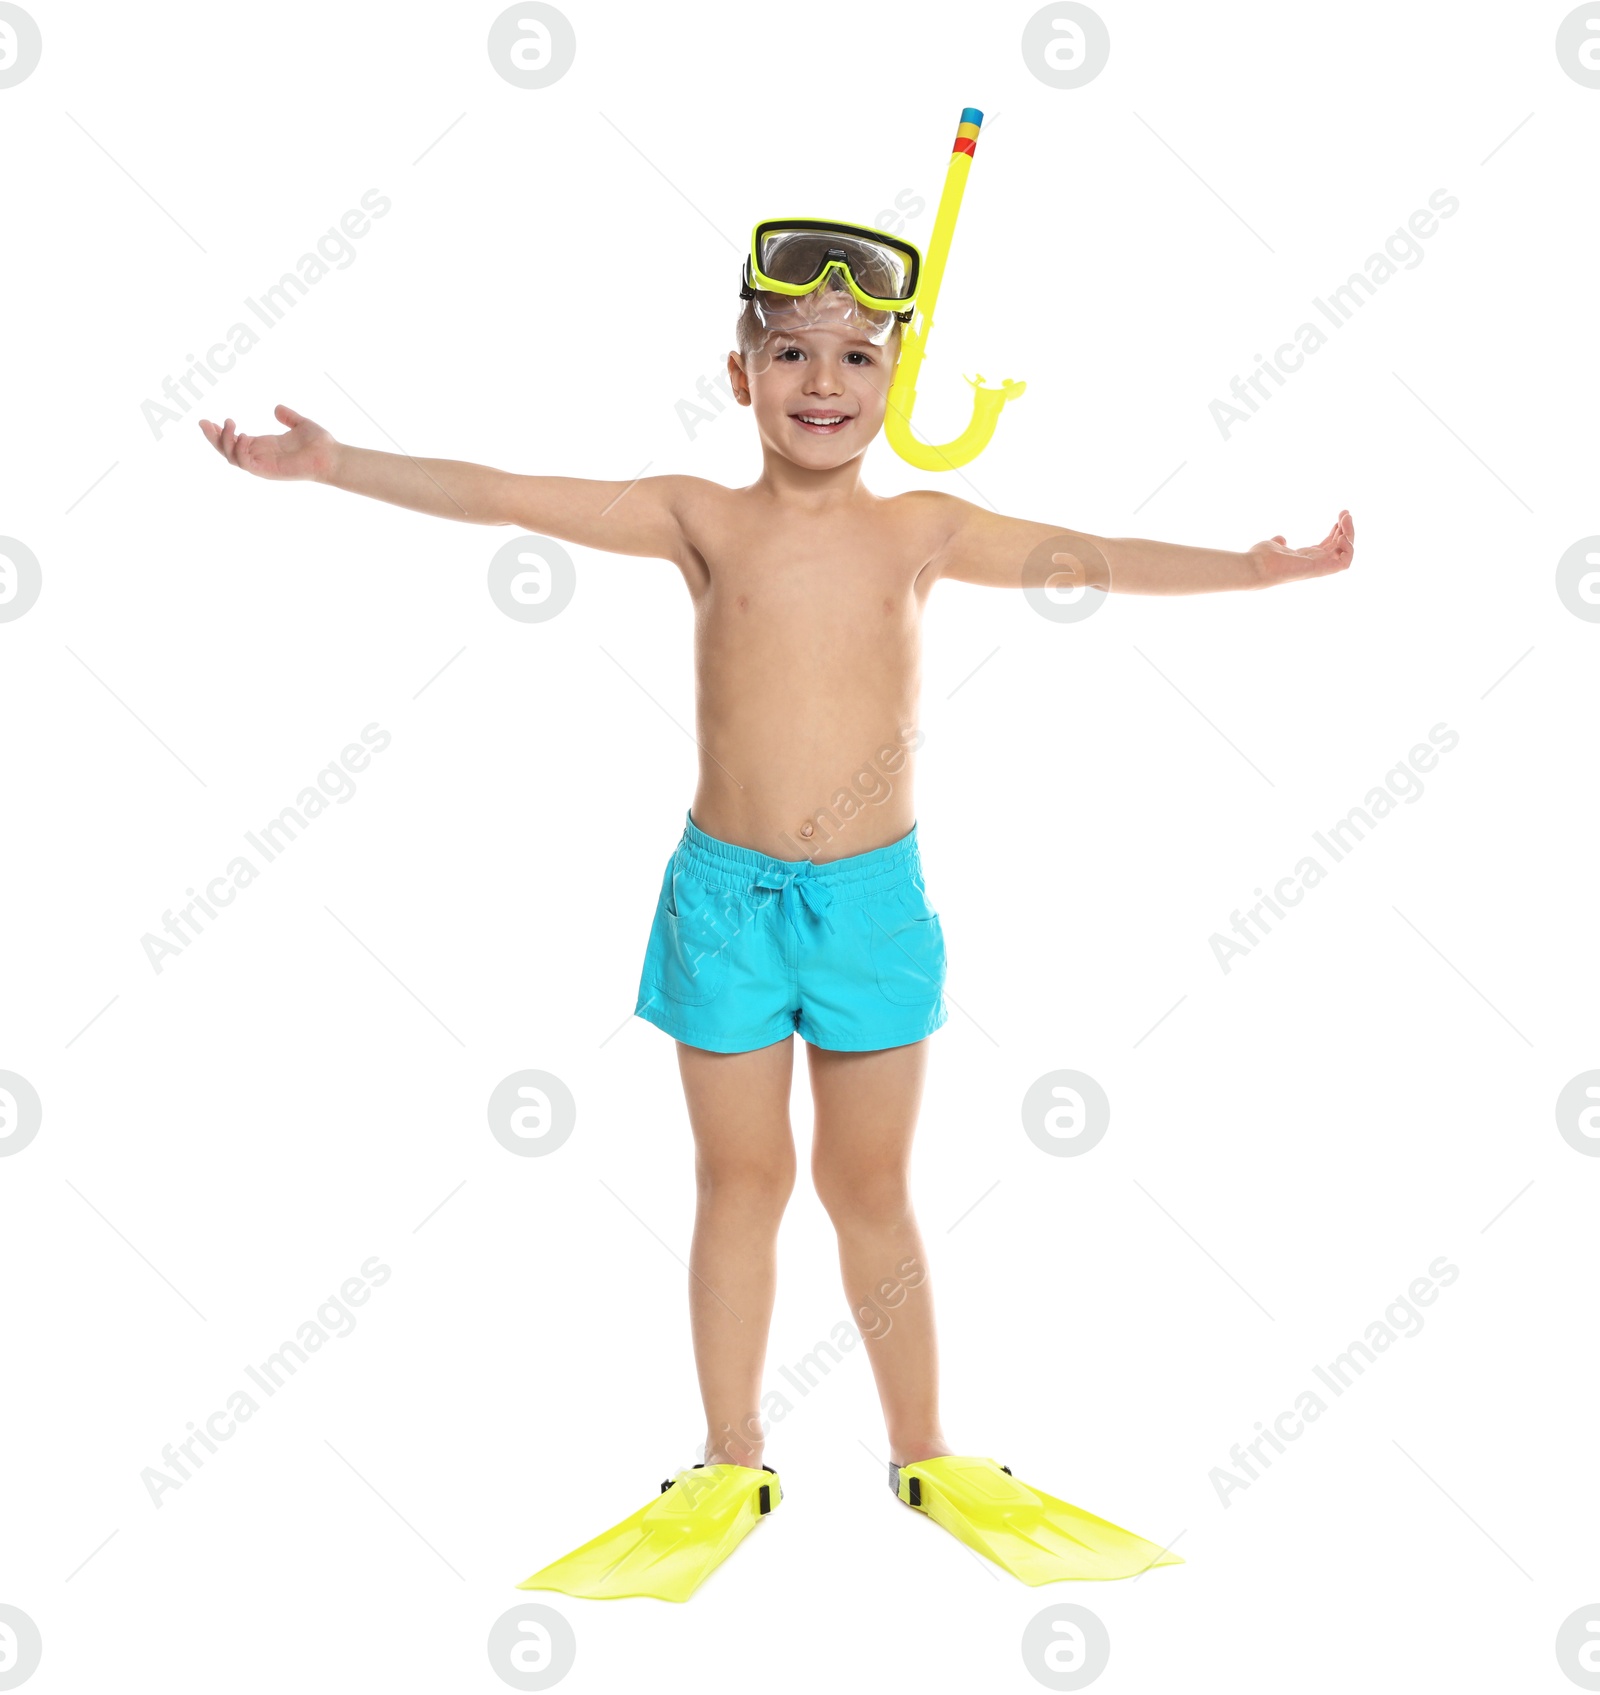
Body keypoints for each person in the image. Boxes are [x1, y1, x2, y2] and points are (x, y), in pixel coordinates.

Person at [201, 221, 1353, 1600]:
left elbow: (1086, 554)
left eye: (857, 354)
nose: (824, 378)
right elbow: (512, 491)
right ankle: (731, 1456)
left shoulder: (923, 530)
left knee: (869, 1185)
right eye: (790, 351)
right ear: (738, 372)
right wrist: (338, 467)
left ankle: (926, 1451)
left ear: (896, 374)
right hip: (721, 903)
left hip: (870, 907)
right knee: (737, 1182)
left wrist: (1254, 568)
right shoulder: (701, 515)